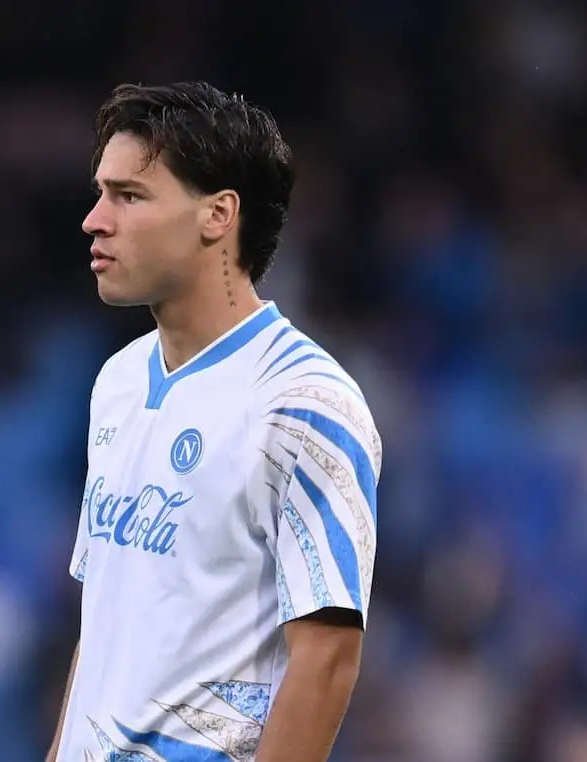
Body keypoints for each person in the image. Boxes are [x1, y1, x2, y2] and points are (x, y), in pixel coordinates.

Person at [47, 81, 381, 762]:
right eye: (101, 192)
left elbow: (326, 656)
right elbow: (102, 625)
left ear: (218, 215)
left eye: (129, 196)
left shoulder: (304, 401)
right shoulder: (117, 382)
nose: (94, 220)